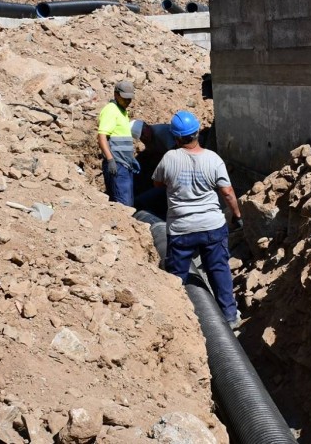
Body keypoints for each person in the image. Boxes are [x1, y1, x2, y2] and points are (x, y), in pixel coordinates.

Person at [153, 110, 244, 328]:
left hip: (181, 229)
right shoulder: (213, 159)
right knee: (219, 269)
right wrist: (237, 215)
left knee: (176, 277)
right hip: (212, 226)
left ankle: (180, 321)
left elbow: (157, 183)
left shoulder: (169, 158)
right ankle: (230, 316)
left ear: (175, 137)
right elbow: (228, 192)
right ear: (196, 134)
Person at [96, 80, 137, 206]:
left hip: (125, 164)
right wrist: (110, 160)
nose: (128, 102)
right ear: (116, 94)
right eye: (125, 98)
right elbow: (102, 136)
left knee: (128, 202)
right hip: (117, 165)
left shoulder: (122, 111)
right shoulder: (111, 110)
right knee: (123, 204)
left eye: (130, 99)